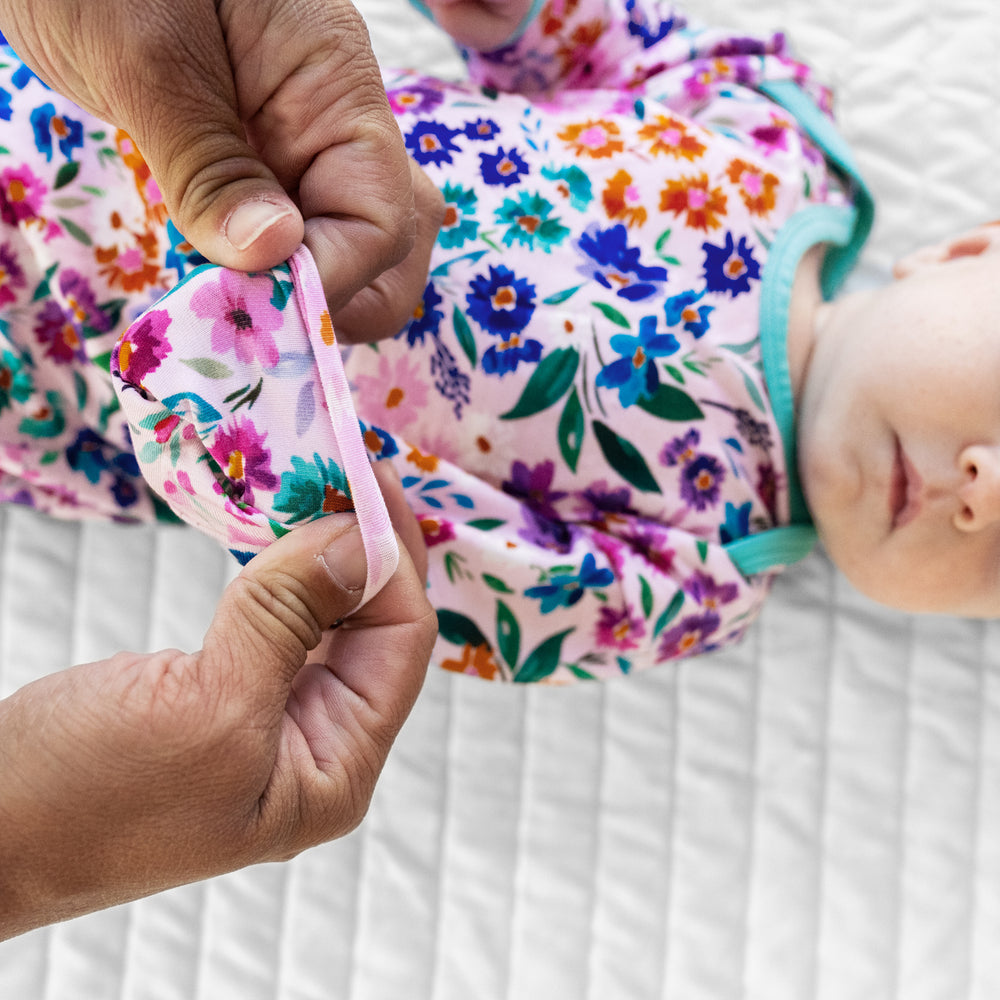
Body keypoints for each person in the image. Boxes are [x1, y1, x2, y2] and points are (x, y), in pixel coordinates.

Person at [0, 0, 438, 940]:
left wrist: (330, 531)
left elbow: (439, 589)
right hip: (105, 109)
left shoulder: (708, 572)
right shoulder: (777, 138)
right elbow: (627, 49)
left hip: (73, 379)